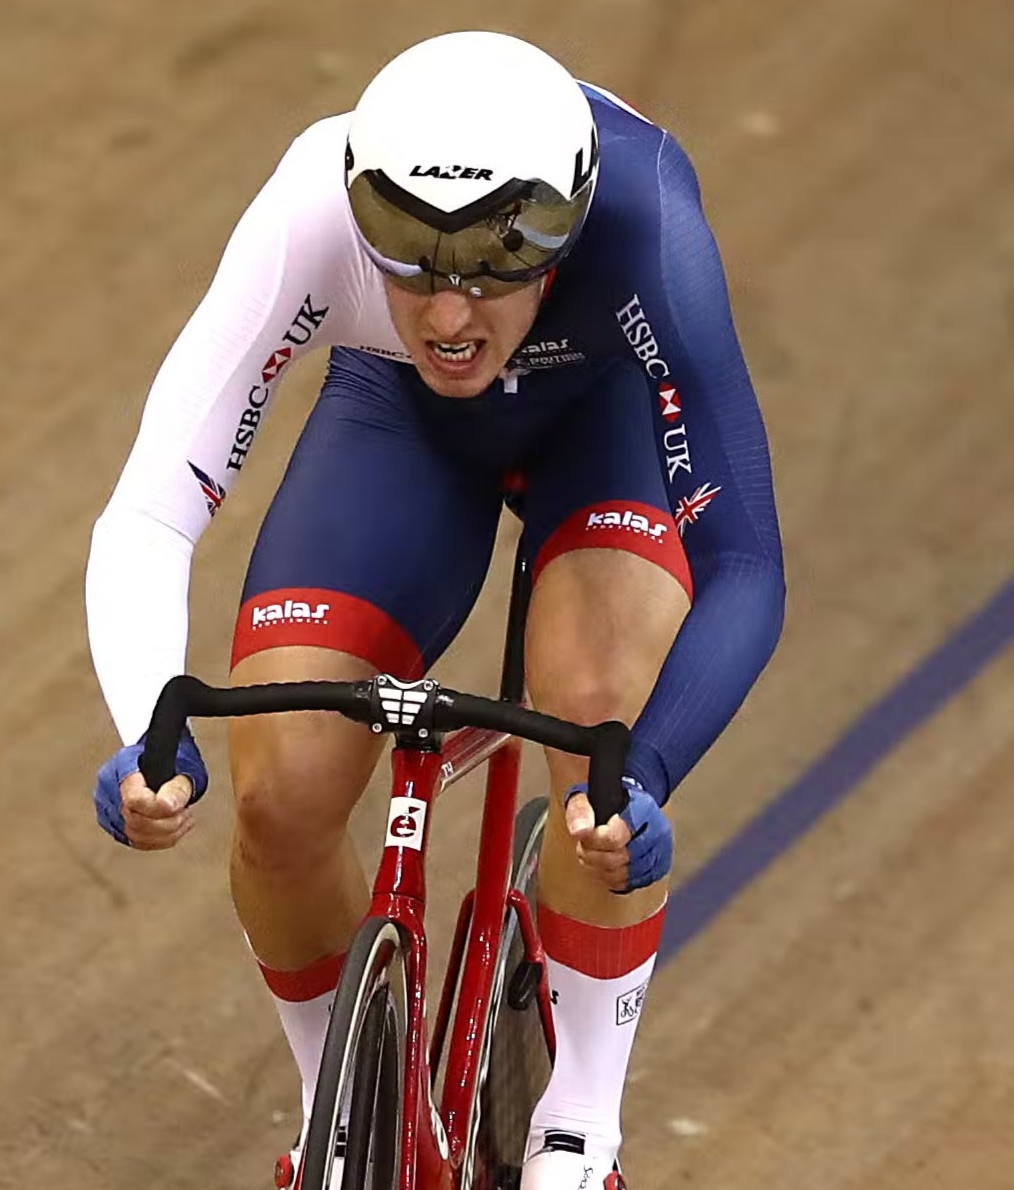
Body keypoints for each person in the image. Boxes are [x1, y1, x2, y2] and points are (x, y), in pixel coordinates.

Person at [86, 30, 785, 1189]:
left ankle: (575, 1129)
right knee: (279, 794)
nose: (451, 314)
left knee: (596, 726)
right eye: (410, 258)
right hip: (396, 426)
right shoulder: (310, 198)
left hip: (595, 422)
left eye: (496, 263)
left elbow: (743, 558)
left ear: (567, 218)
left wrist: (647, 767)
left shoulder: (646, 214)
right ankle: (337, 1110)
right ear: (361, 207)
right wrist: (146, 725)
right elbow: (155, 507)